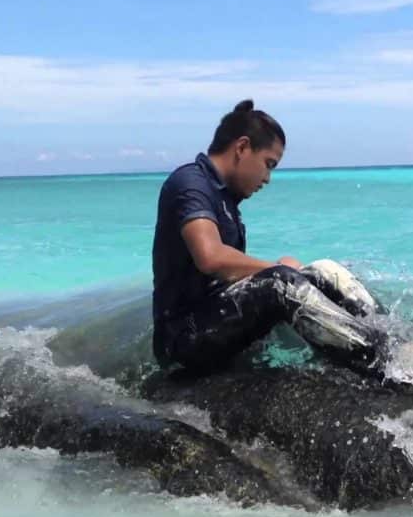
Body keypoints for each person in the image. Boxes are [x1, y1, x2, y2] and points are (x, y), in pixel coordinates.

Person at [152, 100, 389, 378]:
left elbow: (225, 280)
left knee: (324, 270)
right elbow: (211, 258)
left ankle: (391, 339)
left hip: (215, 318)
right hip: (184, 337)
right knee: (281, 283)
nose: (267, 178)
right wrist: (279, 270)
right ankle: (379, 363)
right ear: (241, 148)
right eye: (269, 164)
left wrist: (288, 270)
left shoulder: (225, 199)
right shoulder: (190, 183)